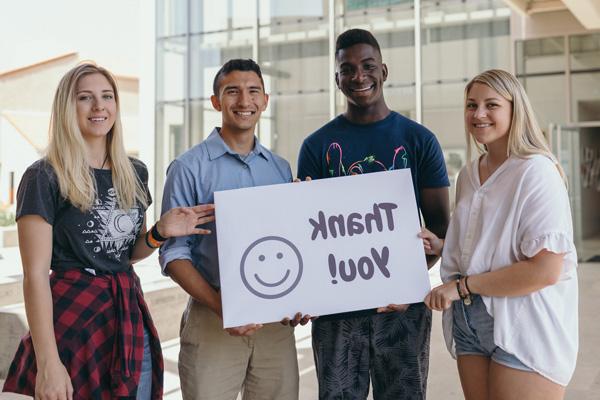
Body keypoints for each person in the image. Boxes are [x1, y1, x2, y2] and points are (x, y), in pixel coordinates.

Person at [2, 62, 215, 400]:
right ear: (67, 108)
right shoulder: (44, 176)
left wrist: (161, 230)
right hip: (72, 319)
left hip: (128, 313)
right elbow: (35, 276)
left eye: (107, 96)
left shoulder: (134, 172)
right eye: (85, 97)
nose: (99, 106)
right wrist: (48, 362)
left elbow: (128, 254)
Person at [297, 29, 450, 399]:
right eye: (347, 69)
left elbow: (440, 228)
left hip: (401, 308)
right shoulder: (316, 146)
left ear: (384, 70)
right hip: (337, 312)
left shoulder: (419, 140)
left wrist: (403, 281)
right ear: (337, 80)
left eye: (367, 66)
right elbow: (308, 232)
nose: (359, 76)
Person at [421, 69, 578, 399]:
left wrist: (460, 286)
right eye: (471, 105)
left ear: (514, 109)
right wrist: (443, 246)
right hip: (469, 321)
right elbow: (489, 242)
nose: (478, 114)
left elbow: (545, 270)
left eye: (491, 105)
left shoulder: (536, 172)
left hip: (524, 321)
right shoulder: (468, 173)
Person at [159, 59, 302, 400]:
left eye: (253, 91)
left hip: (275, 329)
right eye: (232, 92)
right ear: (216, 102)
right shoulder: (187, 168)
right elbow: (173, 254)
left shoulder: (280, 169)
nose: (244, 101)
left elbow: (292, 243)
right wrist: (222, 306)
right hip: (212, 319)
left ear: (265, 101)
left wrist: (302, 296)